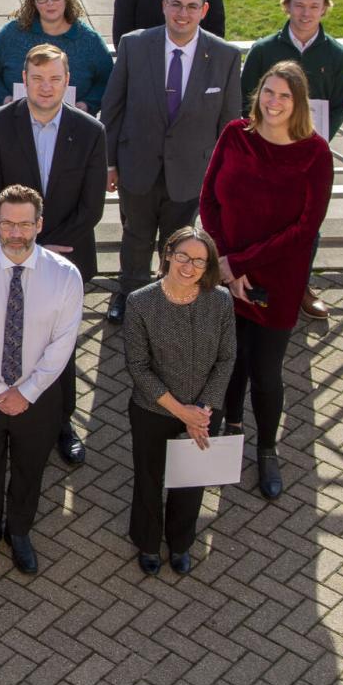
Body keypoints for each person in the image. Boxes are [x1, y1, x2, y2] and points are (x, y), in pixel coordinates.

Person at [200, 61, 333, 501]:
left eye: (284, 96)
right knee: (228, 360)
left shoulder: (315, 153)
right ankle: (231, 426)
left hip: (277, 277)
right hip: (225, 273)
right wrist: (225, 264)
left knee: (266, 370)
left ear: (298, 103)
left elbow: (304, 228)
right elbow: (208, 201)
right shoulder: (236, 135)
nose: (274, 102)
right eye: (268, 93)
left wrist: (241, 264)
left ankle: (267, 446)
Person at [0, 45, 106, 465]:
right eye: (37, 79)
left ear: (68, 82)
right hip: (3, 251)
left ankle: (61, 422)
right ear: (24, 81)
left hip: (65, 255)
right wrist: (21, 240)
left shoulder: (89, 131)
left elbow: (93, 204)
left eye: (54, 79)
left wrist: (43, 249)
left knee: (57, 343)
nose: (45, 87)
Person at [0, 185, 84, 576]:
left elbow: (63, 344)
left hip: (39, 397)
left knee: (30, 468)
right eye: (7, 224)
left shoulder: (65, 276)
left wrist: (25, 392)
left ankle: (20, 531)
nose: (15, 233)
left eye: (24, 224)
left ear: (39, 225)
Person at [100, 0, 242, 326]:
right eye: (176, 4)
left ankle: (170, 300)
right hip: (138, 165)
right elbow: (113, 107)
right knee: (135, 237)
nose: (183, 13)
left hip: (191, 173)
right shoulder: (134, 46)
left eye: (192, 6)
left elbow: (229, 125)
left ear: (204, 10)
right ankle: (130, 295)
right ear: (164, 5)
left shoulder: (224, 56)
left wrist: (222, 180)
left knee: (180, 245)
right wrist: (109, 163)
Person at [123, 227, 236, 576]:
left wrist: (202, 411)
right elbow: (138, 367)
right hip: (153, 410)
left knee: (191, 479)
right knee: (149, 477)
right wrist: (179, 410)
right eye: (183, 256)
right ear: (168, 254)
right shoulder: (140, 302)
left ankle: (181, 541)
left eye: (199, 261)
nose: (189, 266)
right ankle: (147, 540)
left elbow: (226, 358)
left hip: (203, 412)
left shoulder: (220, 301)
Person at [238, 0, 343, 321]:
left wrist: (311, 145)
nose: (306, 13)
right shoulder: (264, 50)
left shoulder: (337, 57)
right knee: (259, 220)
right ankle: (253, 283)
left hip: (307, 160)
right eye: (299, 5)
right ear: (287, 6)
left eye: (314, 6)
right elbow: (247, 99)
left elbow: (339, 107)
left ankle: (299, 285)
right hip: (265, 155)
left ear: (325, 9)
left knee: (305, 225)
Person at [0, 0, 113, 114]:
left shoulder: (90, 41)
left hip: (71, 128)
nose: (50, 3)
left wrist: (88, 104)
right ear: (34, 3)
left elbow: (108, 80)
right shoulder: (12, 33)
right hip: (14, 123)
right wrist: (3, 99)